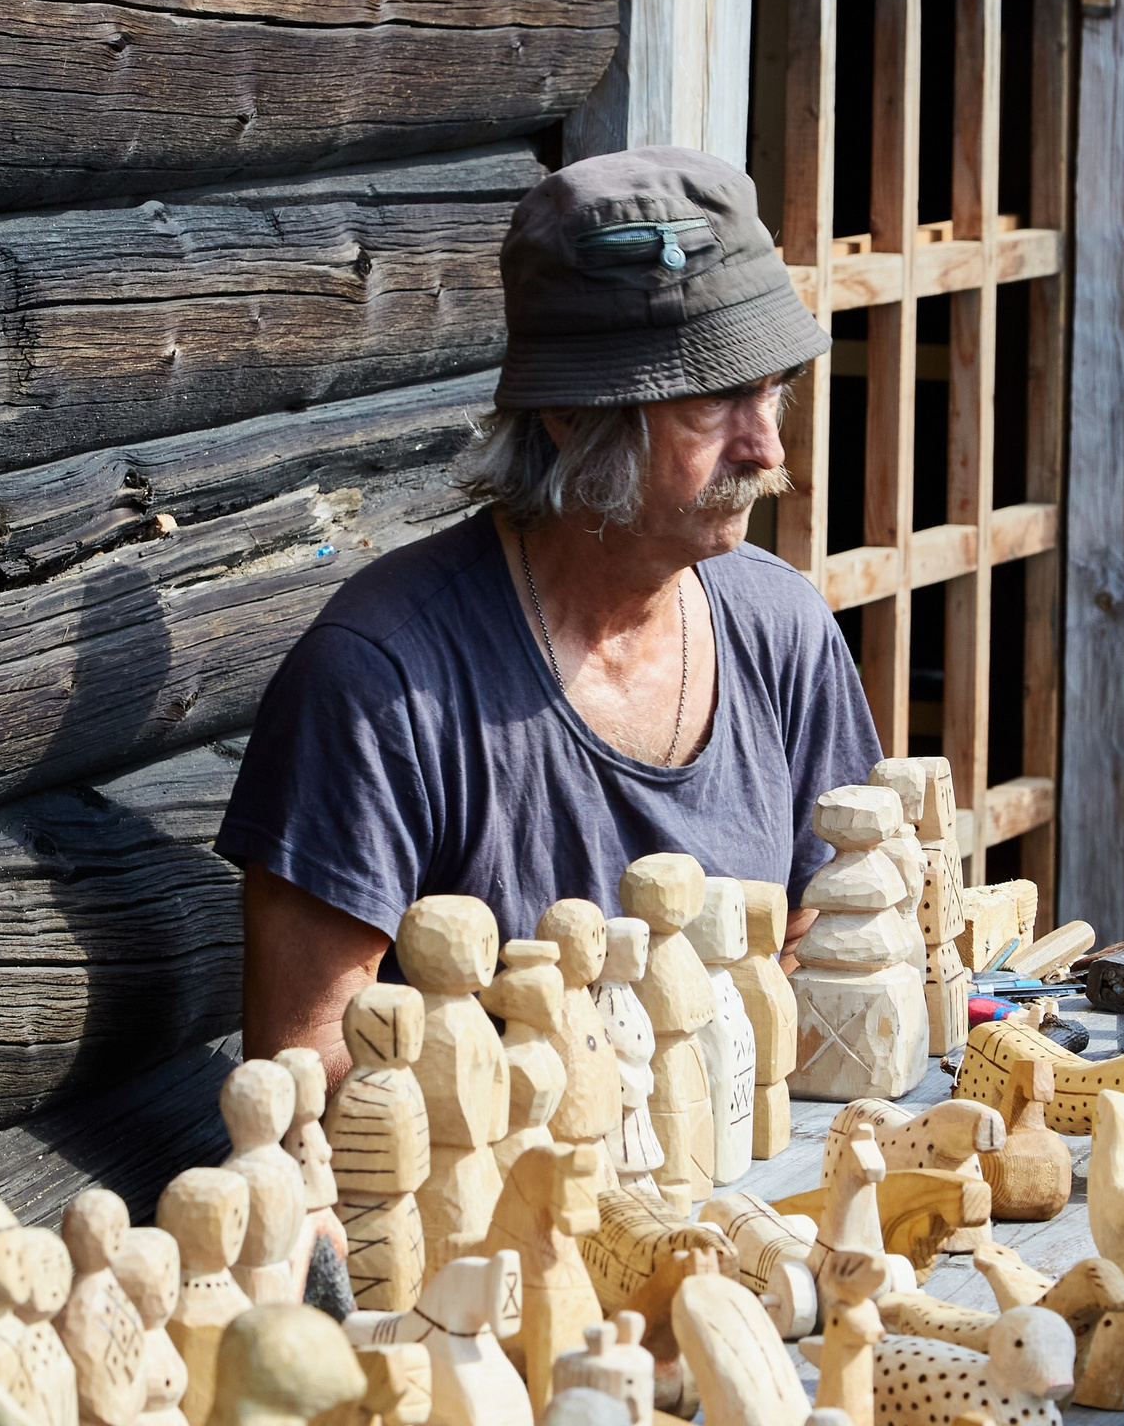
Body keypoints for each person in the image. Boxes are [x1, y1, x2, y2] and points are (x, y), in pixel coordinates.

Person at [216, 147, 883, 1082]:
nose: (765, 444)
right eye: (714, 402)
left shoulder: (781, 626)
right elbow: (303, 1071)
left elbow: (834, 926)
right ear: (572, 415)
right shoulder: (383, 682)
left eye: (771, 390)